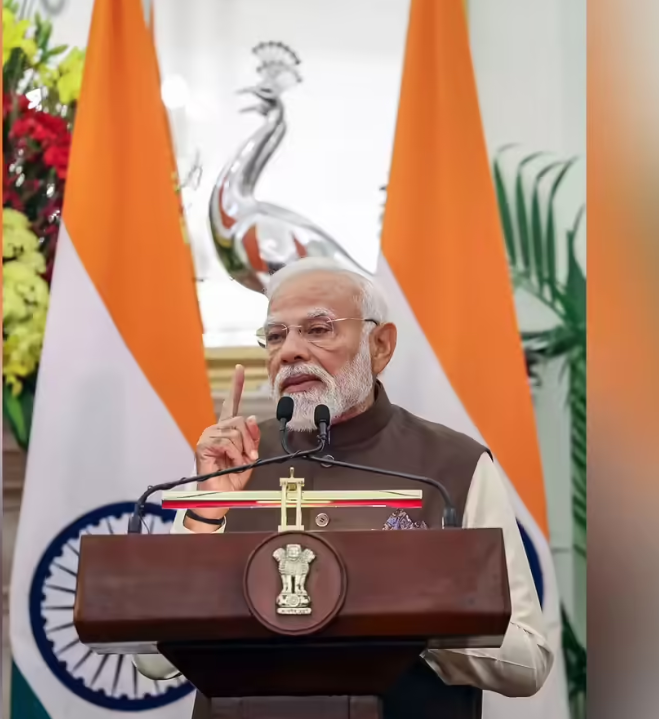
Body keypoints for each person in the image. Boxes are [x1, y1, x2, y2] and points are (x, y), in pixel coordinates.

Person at [135, 257, 553, 718]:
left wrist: (417, 614)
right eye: (275, 336)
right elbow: (151, 660)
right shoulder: (233, 462)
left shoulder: (453, 465)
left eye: (318, 329)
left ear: (380, 346)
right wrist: (207, 510)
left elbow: (527, 661)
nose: (289, 351)